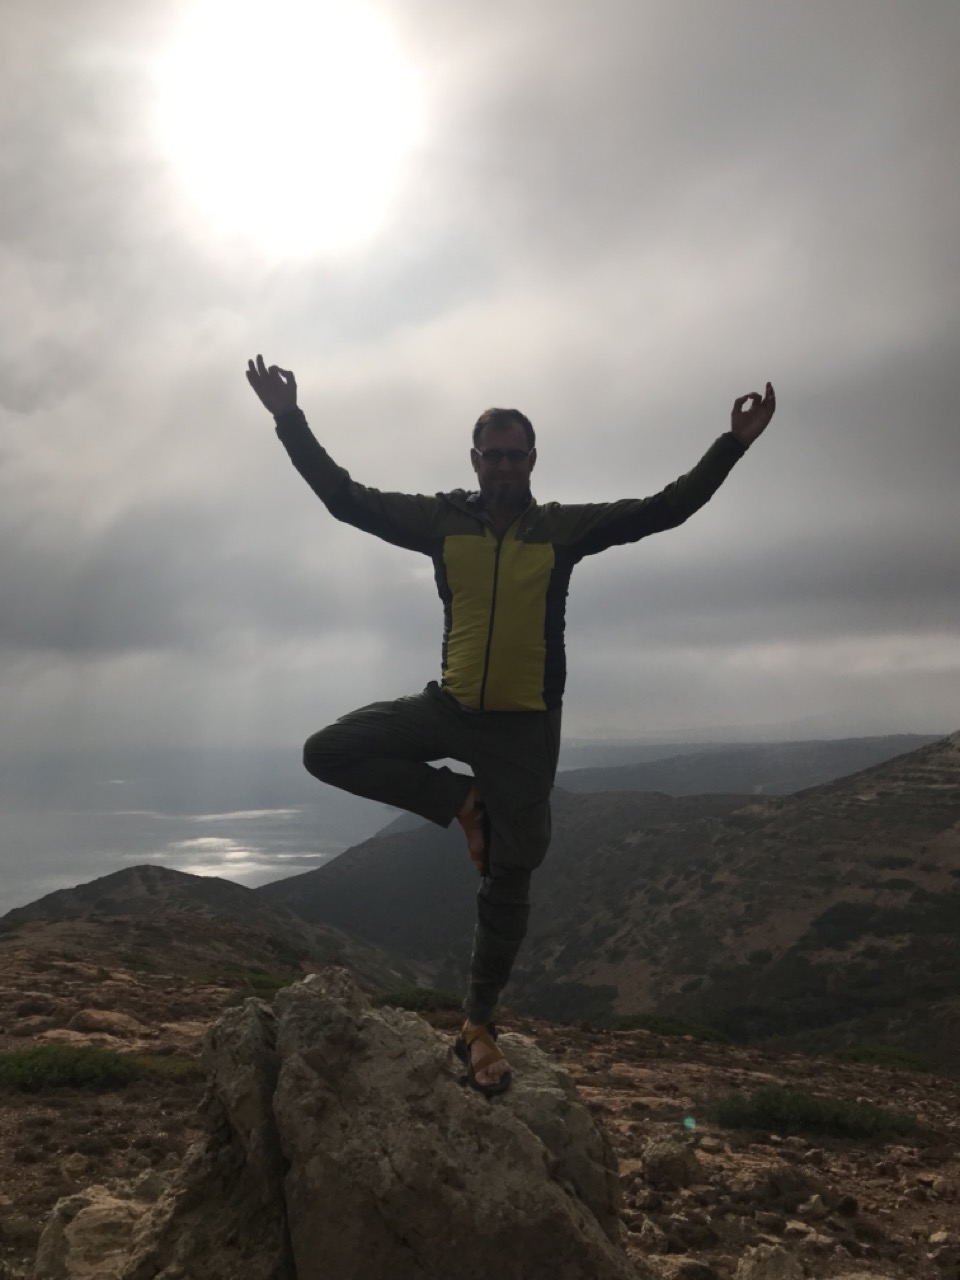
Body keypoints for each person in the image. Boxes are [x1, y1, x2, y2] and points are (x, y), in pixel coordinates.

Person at [246, 353, 776, 1096]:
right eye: (490, 454)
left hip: (525, 728)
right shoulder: (439, 519)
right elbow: (344, 498)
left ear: (532, 460)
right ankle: (462, 804)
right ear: (474, 458)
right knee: (328, 751)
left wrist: (734, 443)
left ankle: (477, 1024)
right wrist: (288, 418)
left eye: (513, 455)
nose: (501, 466)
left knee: (510, 878)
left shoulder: (562, 530)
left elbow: (668, 508)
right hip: (450, 708)